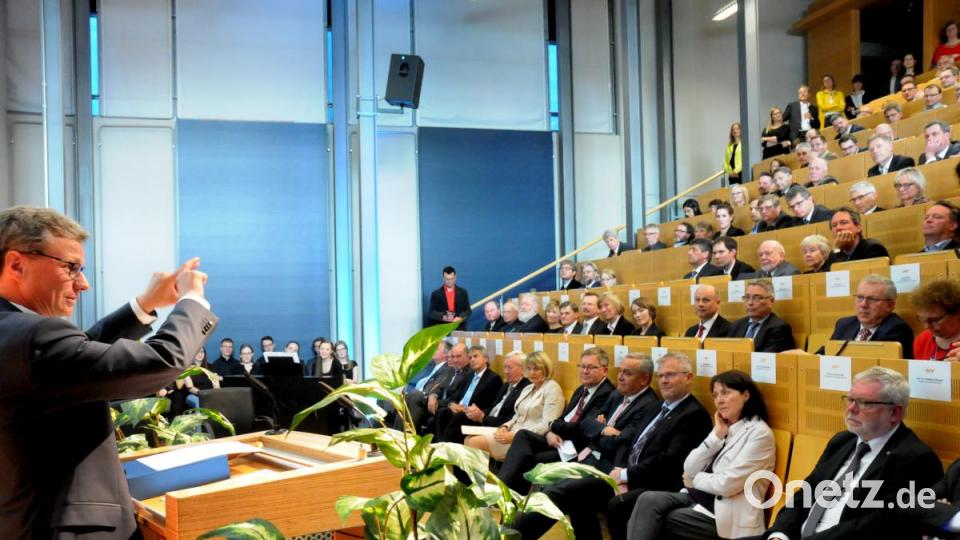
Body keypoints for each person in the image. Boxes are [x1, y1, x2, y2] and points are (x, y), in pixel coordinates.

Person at [0, 206, 216, 539]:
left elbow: (78, 366)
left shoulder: (13, 334)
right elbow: (162, 361)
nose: (83, 283)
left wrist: (144, 305)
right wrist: (193, 301)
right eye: (71, 267)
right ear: (17, 264)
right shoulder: (34, 337)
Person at [511, 353, 712, 540]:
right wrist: (617, 470)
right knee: (569, 490)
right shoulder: (657, 407)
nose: (665, 381)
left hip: (651, 483)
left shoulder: (693, 415)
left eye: (671, 375)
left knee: (565, 491)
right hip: (619, 470)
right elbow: (627, 443)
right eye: (662, 376)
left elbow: (668, 462)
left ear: (688, 377)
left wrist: (625, 476)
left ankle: (512, 536)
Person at [753, 367, 942, 540]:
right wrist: (780, 534)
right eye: (850, 399)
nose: (851, 409)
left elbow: (878, 524)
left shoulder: (915, 458)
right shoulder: (842, 441)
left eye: (865, 403)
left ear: (895, 413)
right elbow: (806, 493)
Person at [627, 370, 775, 540]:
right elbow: (689, 467)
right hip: (698, 499)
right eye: (716, 395)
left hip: (725, 514)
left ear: (746, 395)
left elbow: (728, 484)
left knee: (664, 519)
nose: (719, 400)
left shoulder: (759, 434)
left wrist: (695, 480)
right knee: (647, 499)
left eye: (726, 393)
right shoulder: (725, 428)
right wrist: (716, 435)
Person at [496, 348, 620, 492]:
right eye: (582, 366)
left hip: (575, 447)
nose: (585, 371)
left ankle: (506, 493)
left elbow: (582, 427)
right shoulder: (582, 389)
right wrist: (550, 432)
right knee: (523, 436)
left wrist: (553, 426)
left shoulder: (606, 393)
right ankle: (507, 492)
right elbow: (564, 417)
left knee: (532, 456)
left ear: (604, 370)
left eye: (591, 367)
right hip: (559, 439)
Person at [464, 351, 564, 461]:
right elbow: (517, 416)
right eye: (529, 369)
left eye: (536, 369)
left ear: (546, 369)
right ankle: (480, 477)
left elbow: (548, 424)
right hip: (511, 433)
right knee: (468, 439)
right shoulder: (528, 388)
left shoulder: (552, 388)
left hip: (526, 439)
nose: (532, 373)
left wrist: (514, 435)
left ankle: (481, 478)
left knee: (474, 442)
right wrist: (505, 427)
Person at [436, 350, 530, 444]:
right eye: (505, 367)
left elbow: (510, 419)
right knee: (446, 413)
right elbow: (493, 408)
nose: (505, 371)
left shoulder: (526, 388)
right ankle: (443, 447)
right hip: (488, 419)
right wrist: (474, 412)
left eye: (509, 368)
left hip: (501, 428)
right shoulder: (506, 385)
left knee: (460, 418)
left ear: (523, 368)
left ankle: (444, 448)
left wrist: (482, 417)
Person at [813, 275, 914, 358]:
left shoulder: (897, 330)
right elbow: (826, 352)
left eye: (872, 299)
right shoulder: (844, 324)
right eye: (860, 297)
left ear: (890, 305)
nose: (863, 304)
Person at [433, 345, 503, 438]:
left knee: (460, 417)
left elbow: (491, 406)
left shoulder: (493, 378)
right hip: (460, 409)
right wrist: (451, 404)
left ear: (486, 358)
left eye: (476, 356)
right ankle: (439, 443)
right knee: (442, 412)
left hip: (473, 414)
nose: (472, 360)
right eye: (470, 358)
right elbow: (456, 396)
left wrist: (467, 410)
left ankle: (444, 445)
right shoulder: (469, 376)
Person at [728, 279, 795, 352]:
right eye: (747, 297)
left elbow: (766, 359)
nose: (750, 303)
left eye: (757, 298)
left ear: (771, 301)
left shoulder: (780, 328)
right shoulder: (736, 325)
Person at [911, 278, 960, 360]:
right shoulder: (922, 340)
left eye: (934, 320)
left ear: (957, 313)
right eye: (923, 320)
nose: (927, 327)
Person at [824, 207, 890, 267]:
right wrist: (836, 248)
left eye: (844, 223)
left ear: (858, 227)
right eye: (834, 225)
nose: (838, 228)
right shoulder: (835, 253)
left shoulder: (873, 248)